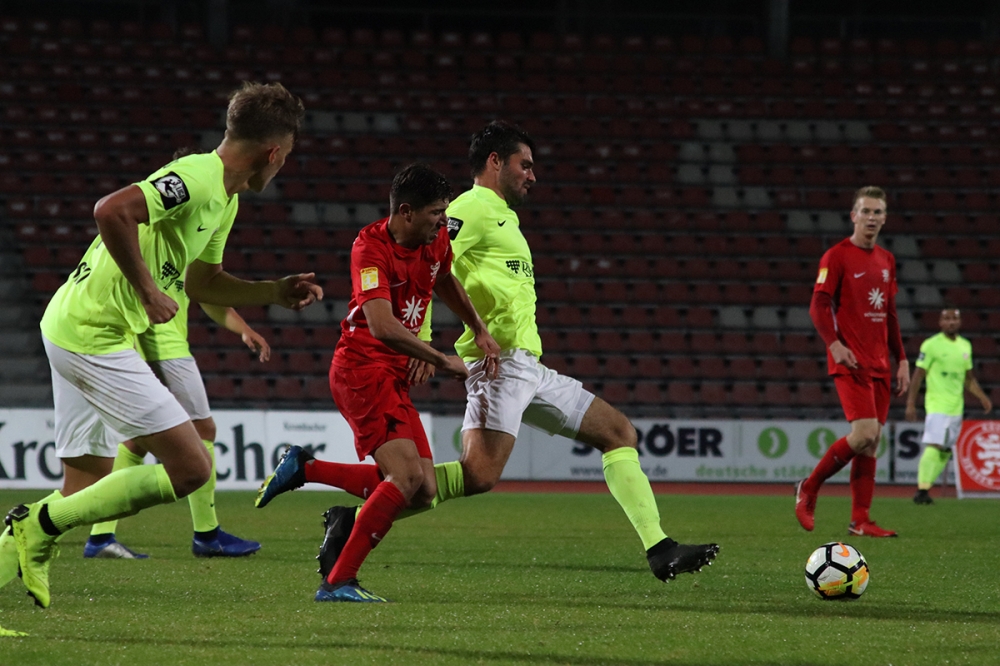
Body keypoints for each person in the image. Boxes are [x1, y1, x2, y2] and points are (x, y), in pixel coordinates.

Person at [297, 121, 719, 584]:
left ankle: (660, 548)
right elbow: (428, 267)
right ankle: (353, 521)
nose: (532, 175)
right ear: (495, 162)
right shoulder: (469, 208)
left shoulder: (504, 217)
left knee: (619, 432)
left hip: (528, 365)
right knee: (475, 476)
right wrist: (425, 339)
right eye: (525, 164)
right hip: (499, 366)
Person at [2, 81, 322, 609]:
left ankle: (26, 542)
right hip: (94, 332)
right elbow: (111, 210)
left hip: (71, 324)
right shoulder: (196, 176)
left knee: (83, 485)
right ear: (273, 152)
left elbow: (203, 284)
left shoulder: (225, 201)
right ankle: (34, 525)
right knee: (192, 467)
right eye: (286, 156)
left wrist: (271, 292)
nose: (283, 165)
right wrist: (149, 291)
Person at [256, 164, 500, 602]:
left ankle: (305, 468)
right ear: (405, 212)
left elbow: (444, 278)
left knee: (424, 490)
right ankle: (338, 582)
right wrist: (441, 360)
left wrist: (477, 327)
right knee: (405, 476)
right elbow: (383, 326)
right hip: (362, 370)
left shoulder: (435, 239)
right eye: (435, 213)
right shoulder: (369, 249)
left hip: (394, 373)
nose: (443, 222)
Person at [83, 297, 268, 559]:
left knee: (137, 441)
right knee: (203, 429)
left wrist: (243, 329)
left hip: (146, 348)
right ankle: (207, 534)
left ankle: (100, 537)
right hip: (165, 349)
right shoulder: (152, 268)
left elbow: (204, 293)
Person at [796, 186, 910, 537]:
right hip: (851, 361)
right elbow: (818, 305)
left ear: (885, 218)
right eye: (866, 211)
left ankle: (860, 520)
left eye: (878, 212)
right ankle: (809, 487)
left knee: (872, 443)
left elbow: (889, 313)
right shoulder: (836, 256)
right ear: (853, 216)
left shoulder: (887, 260)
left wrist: (902, 359)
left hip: (881, 364)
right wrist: (834, 345)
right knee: (864, 435)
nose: (872, 218)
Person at [906, 308, 992, 504]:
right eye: (947, 319)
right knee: (934, 444)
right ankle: (921, 489)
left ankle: (925, 489)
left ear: (959, 322)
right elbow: (918, 375)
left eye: (954, 318)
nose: (951, 322)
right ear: (940, 322)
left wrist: (982, 397)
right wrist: (911, 403)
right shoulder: (931, 345)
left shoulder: (965, 346)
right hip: (937, 405)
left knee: (945, 449)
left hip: (956, 407)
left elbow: (969, 379)